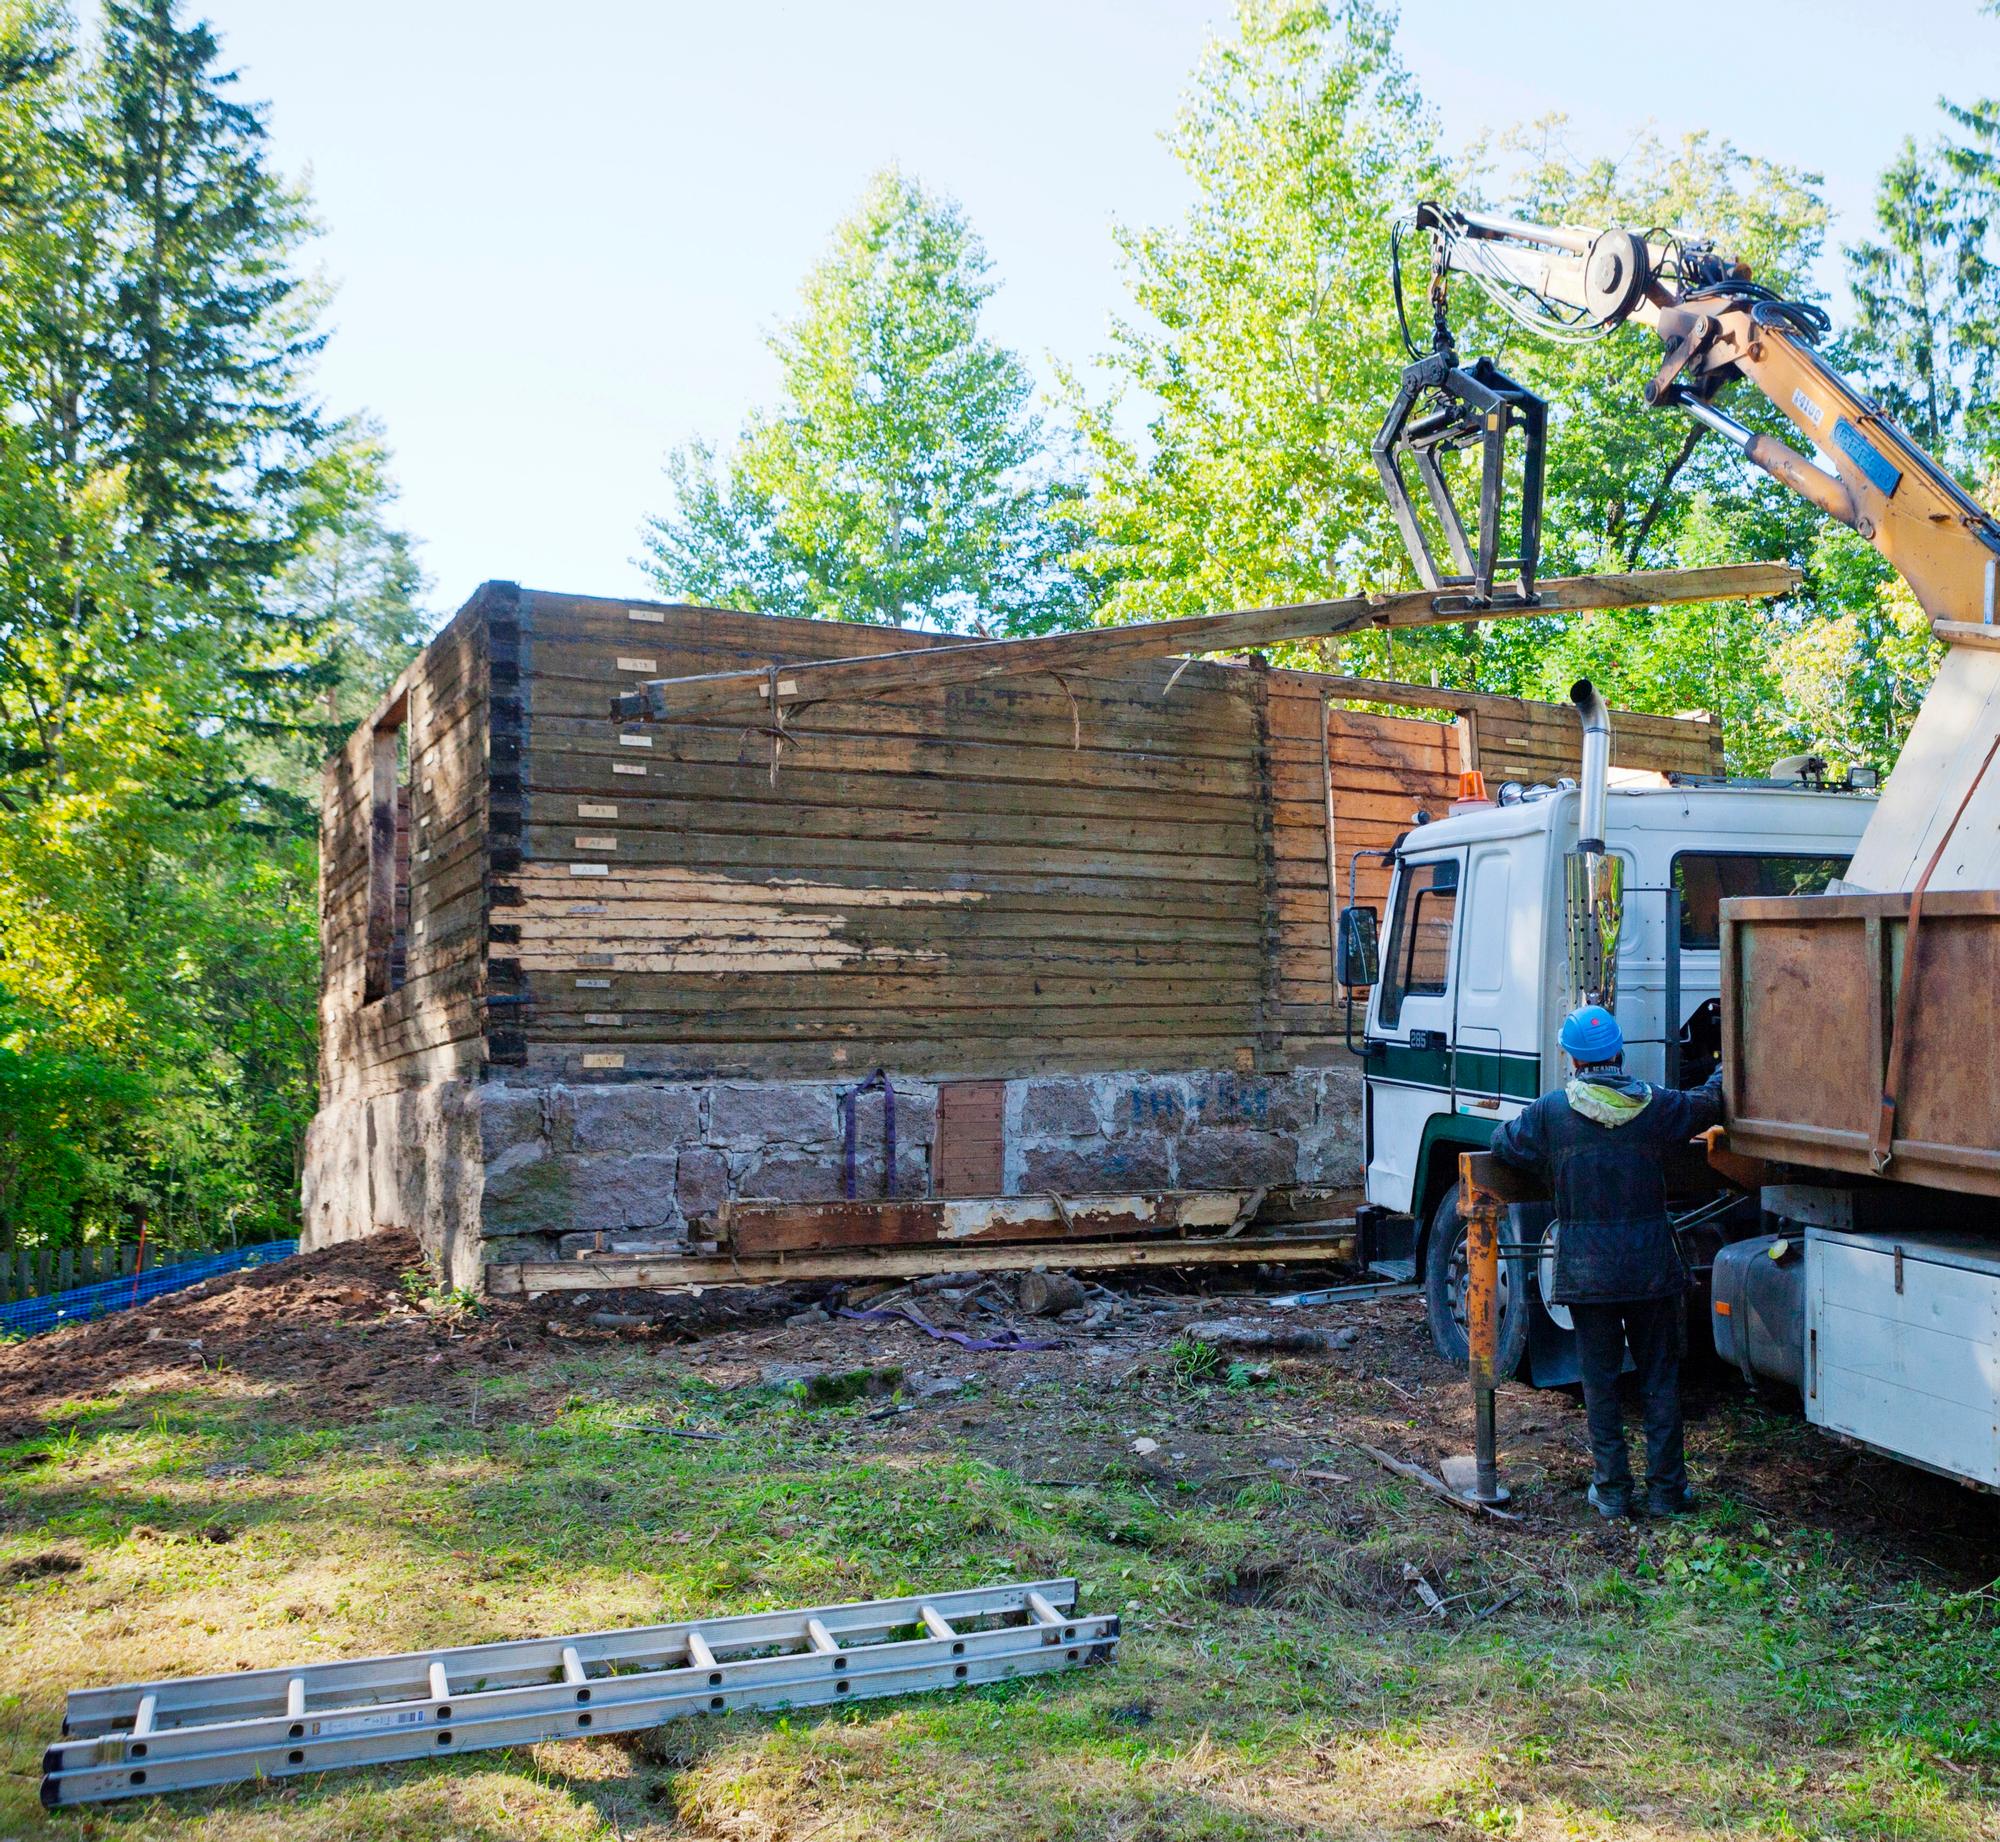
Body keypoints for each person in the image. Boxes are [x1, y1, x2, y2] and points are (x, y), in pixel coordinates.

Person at [1488, 1003, 1724, 1520]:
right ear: (1618, 1053)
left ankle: (1612, 1491)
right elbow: (1708, 1104)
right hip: (1649, 1270)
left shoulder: (1552, 1113)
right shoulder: (1656, 1107)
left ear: (1573, 1061)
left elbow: (1501, 1143)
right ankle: (1667, 1493)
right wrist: (1728, 1064)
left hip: (1587, 1274)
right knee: (1658, 1380)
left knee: (1600, 1383)